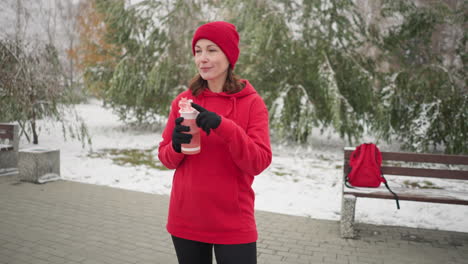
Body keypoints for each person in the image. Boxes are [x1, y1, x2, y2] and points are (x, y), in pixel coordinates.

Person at [158, 21, 272, 264]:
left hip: (233, 222)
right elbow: (166, 158)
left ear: (229, 56)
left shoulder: (252, 103)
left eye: (212, 50)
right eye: (198, 51)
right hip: (186, 219)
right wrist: (176, 146)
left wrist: (224, 127)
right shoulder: (184, 101)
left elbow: (259, 162)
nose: (202, 58)